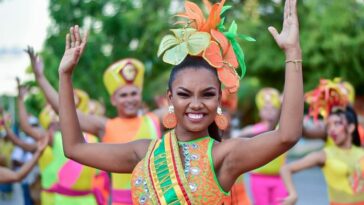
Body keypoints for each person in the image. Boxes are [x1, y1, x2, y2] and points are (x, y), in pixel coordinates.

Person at [58, 0, 303, 204]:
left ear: (219, 98)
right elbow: (74, 148)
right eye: (185, 94)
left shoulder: (224, 156)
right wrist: (65, 77)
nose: (196, 104)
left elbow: (287, 135)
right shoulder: (145, 152)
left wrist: (292, 52)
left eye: (207, 94)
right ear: (170, 99)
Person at [26, 43, 163, 204]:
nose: (130, 99)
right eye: (123, 95)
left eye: (134, 93)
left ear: (140, 95)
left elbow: (184, 105)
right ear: (113, 99)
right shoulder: (105, 126)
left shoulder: (155, 119)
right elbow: (65, 111)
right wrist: (41, 79)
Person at [280, 106, 364, 205]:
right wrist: (292, 194)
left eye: (337, 124)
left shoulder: (361, 153)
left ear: (351, 127)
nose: (332, 129)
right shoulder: (325, 155)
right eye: (328, 126)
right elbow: (286, 169)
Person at [237, 88, 288, 205]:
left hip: (280, 178)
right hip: (258, 177)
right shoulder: (252, 130)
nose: (269, 111)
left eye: (273, 108)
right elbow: (238, 137)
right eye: (266, 108)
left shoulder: (283, 129)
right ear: (259, 112)